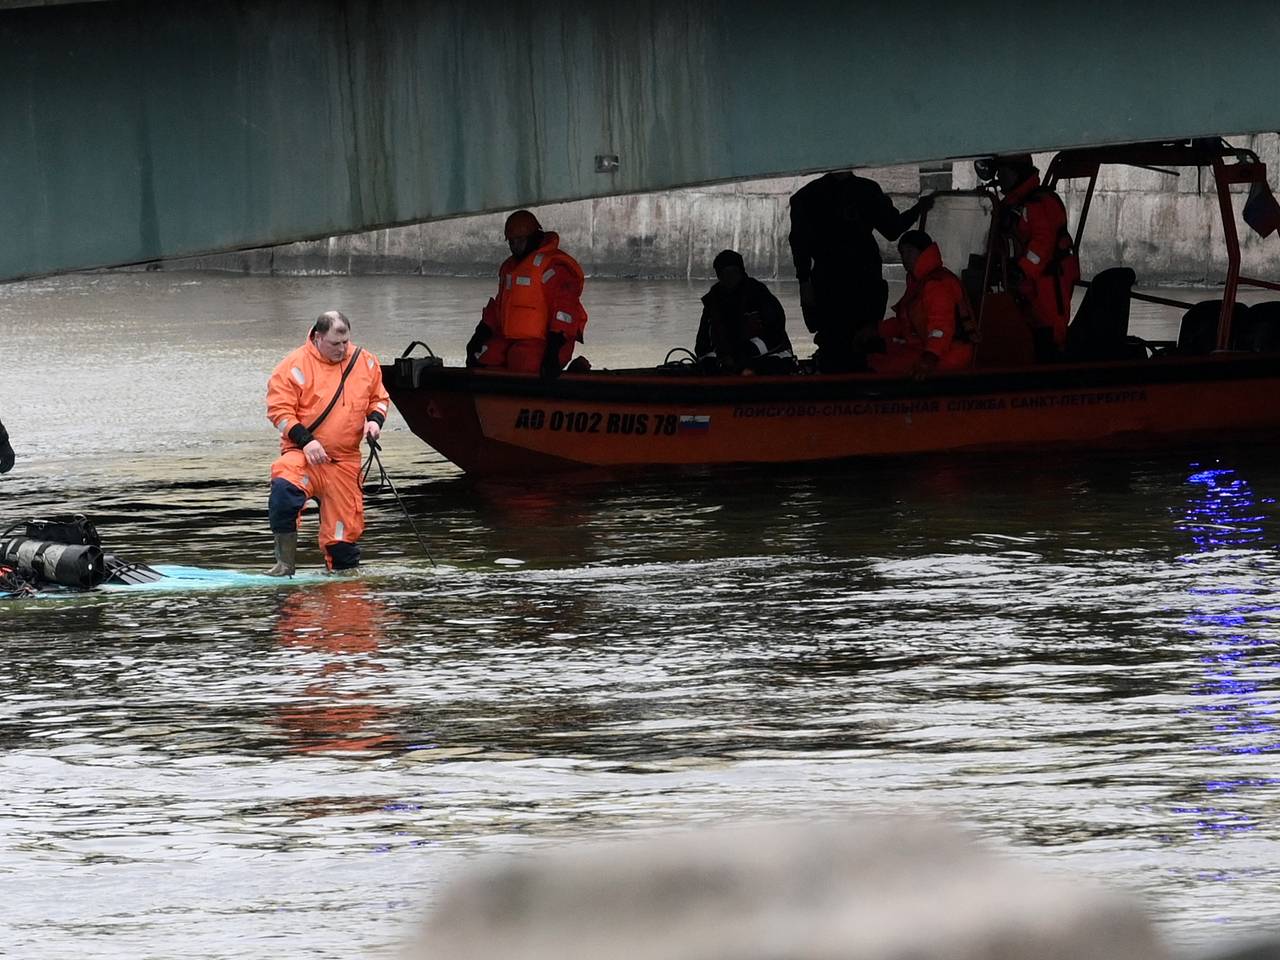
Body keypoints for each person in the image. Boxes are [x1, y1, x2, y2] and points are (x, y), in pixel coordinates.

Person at [265, 310, 390, 575]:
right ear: (318, 337)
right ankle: (284, 565)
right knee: (283, 492)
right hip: (304, 455)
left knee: (343, 538)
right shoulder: (293, 366)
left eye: (345, 342)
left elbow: (379, 399)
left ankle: (344, 582)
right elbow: (280, 412)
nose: (342, 349)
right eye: (335, 344)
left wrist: (374, 422)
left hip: (345, 461)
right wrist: (307, 441)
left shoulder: (365, 362)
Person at [788, 172, 932, 371]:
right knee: (863, 343)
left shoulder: (807, 195)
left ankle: (834, 380)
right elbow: (892, 228)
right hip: (863, 281)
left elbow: (799, 244)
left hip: (831, 283)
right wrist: (919, 209)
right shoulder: (867, 190)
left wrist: (804, 282)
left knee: (835, 343)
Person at [466, 209, 588, 376]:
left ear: (533, 237)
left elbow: (565, 311)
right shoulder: (510, 268)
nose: (515, 246)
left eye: (520, 240)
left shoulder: (554, 267)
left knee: (523, 360)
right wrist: (479, 335)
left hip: (550, 342)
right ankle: (488, 396)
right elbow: (499, 307)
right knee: (481, 356)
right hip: (511, 339)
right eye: (511, 241)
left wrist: (553, 349)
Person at [993, 154, 1080, 361]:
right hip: (1026, 282)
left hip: (1048, 280)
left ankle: (1052, 368)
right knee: (1028, 327)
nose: (999, 177)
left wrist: (1022, 270)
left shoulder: (1039, 202)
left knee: (1050, 328)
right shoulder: (1013, 204)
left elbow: (1042, 243)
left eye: (1003, 172)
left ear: (1017, 173)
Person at [870, 230, 975, 377]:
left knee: (882, 369)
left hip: (948, 353)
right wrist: (878, 330)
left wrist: (929, 358)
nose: (905, 258)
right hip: (927, 347)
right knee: (875, 356)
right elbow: (907, 323)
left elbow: (941, 327)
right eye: (902, 253)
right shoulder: (919, 282)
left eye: (910, 251)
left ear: (924, 252)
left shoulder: (937, 283)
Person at [694, 250, 796, 374]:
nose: (729, 278)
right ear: (718, 276)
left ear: (741, 272)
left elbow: (775, 334)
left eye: (733, 272)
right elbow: (703, 344)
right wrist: (710, 363)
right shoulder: (712, 302)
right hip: (730, 366)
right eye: (723, 273)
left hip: (772, 358)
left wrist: (743, 356)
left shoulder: (760, 295)